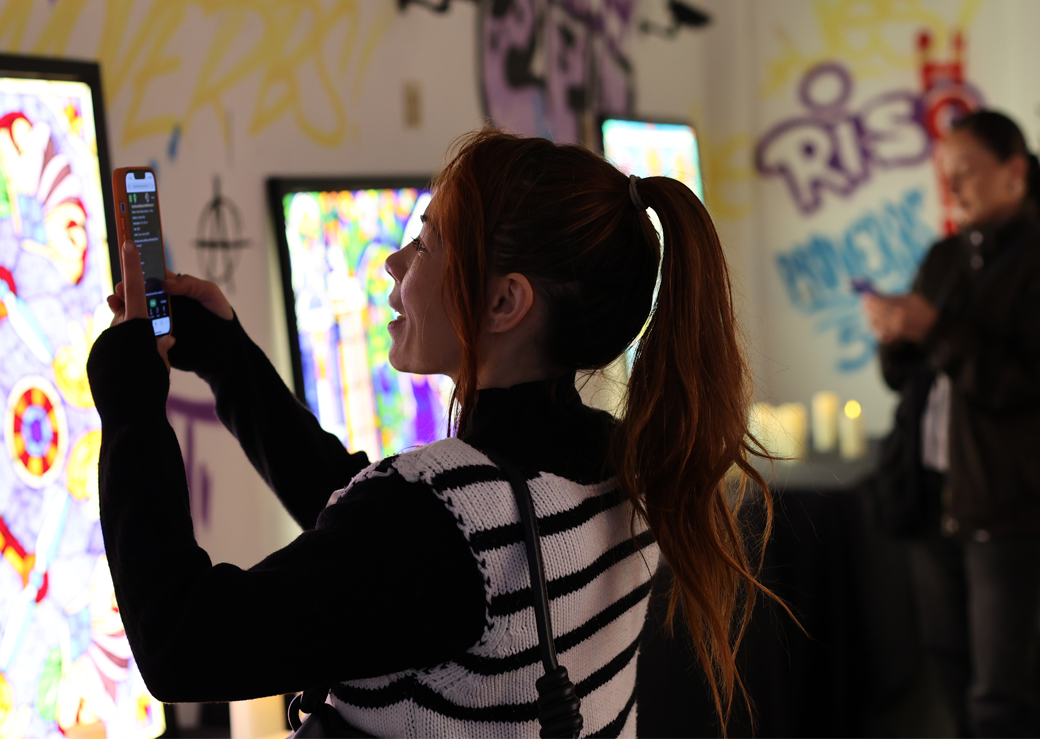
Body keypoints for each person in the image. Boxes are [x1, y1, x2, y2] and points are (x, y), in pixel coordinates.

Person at [87, 128, 775, 737]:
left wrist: (130, 402)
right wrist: (227, 357)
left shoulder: (439, 523)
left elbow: (182, 642)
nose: (395, 261)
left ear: (504, 301)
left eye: (427, 242)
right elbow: (369, 544)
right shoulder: (623, 464)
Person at [864, 110, 1040, 737]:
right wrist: (894, 334)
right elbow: (905, 379)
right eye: (945, 174)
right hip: (930, 496)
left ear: (1014, 172)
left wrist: (934, 329)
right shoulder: (944, 256)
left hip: (1005, 506)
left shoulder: (1038, 263)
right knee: (944, 660)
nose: (953, 187)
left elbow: (1026, 385)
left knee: (1000, 690)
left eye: (965, 171)